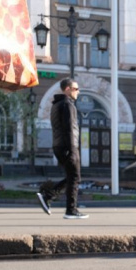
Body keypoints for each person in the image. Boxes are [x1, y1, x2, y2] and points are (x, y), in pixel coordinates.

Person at [37, 78, 88, 219]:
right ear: (68, 89)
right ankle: (70, 210)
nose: (78, 92)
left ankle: (49, 196)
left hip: (60, 146)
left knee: (72, 177)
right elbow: (69, 129)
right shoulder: (67, 104)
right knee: (75, 177)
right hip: (68, 146)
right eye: (76, 89)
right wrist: (72, 149)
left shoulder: (57, 104)